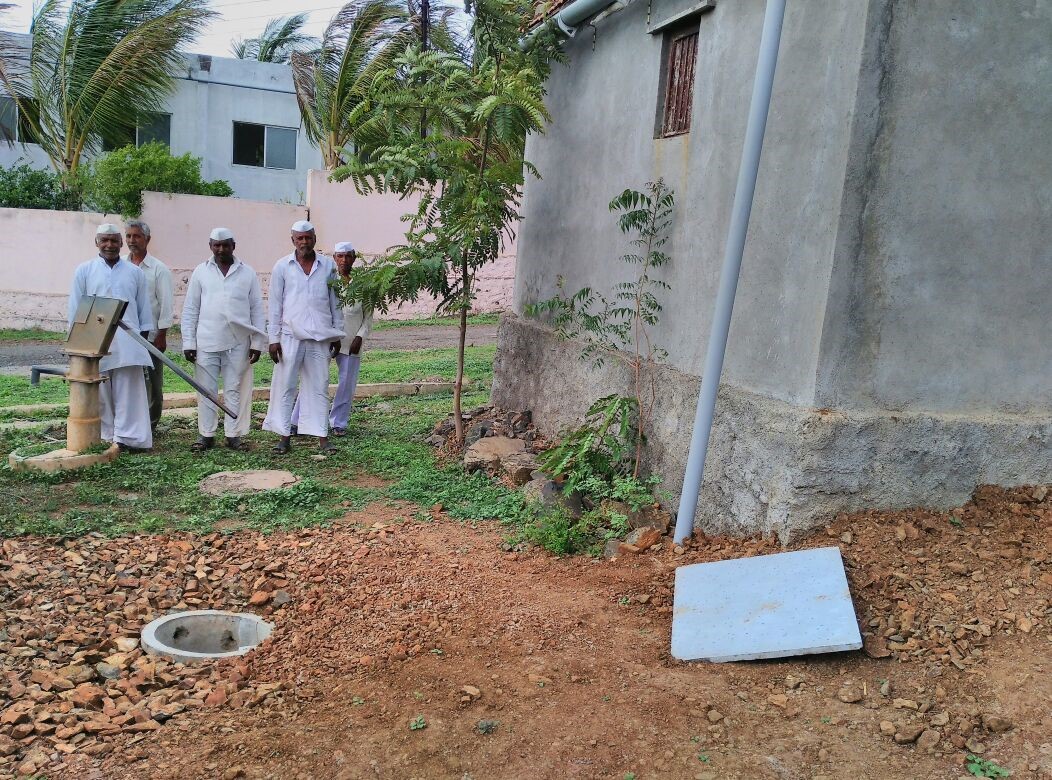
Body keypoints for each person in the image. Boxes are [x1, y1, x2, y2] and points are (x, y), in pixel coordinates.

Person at [68, 224, 154, 452]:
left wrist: (142, 341)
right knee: (101, 392)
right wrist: (77, 344)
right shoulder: (84, 271)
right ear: (96, 242)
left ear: (121, 243)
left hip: (129, 341)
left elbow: (144, 311)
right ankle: (106, 437)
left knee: (130, 392)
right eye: (104, 240)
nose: (109, 245)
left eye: (114, 240)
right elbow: (75, 310)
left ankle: (130, 439)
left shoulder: (135, 273)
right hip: (95, 341)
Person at [262, 220, 344, 454]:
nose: (304, 242)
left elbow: (335, 303)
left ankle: (322, 437)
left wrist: (337, 334)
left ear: (315, 239)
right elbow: (275, 305)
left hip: (320, 337)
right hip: (289, 337)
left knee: (319, 386)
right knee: (285, 385)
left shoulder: (328, 266)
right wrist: (273, 339)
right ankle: (283, 436)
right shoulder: (282, 267)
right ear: (293, 241)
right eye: (300, 238)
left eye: (308, 237)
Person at [180, 228, 266, 452]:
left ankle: (233, 435)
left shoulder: (247, 273)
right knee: (206, 390)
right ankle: (206, 435)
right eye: (216, 245)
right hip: (206, 341)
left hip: (238, 342)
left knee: (234, 388)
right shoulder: (201, 272)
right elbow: (190, 309)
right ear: (210, 246)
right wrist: (189, 342)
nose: (221, 249)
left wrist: (257, 343)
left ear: (233, 246)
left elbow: (257, 309)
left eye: (225, 244)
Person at [291, 242, 371, 437]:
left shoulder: (364, 284)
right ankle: (296, 420)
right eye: (340, 256)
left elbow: (368, 316)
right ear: (334, 258)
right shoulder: (326, 280)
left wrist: (360, 337)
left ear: (354, 257)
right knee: (313, 379)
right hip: (326, 338)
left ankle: (338, 422)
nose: (344, 260)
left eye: (348, 256)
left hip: (352, 341)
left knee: (347, 383)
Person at [124, 220, 173, 431]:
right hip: (126, 335)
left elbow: (166, 304)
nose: (132, 241)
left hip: (151, 334)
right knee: (130, 380)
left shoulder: (158, 269)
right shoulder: (122, 266)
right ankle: (132, 422)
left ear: (147, 239)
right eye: (129, 236)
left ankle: (151, 424)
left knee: (153, 381)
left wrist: (162, 334)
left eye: (137, 236)